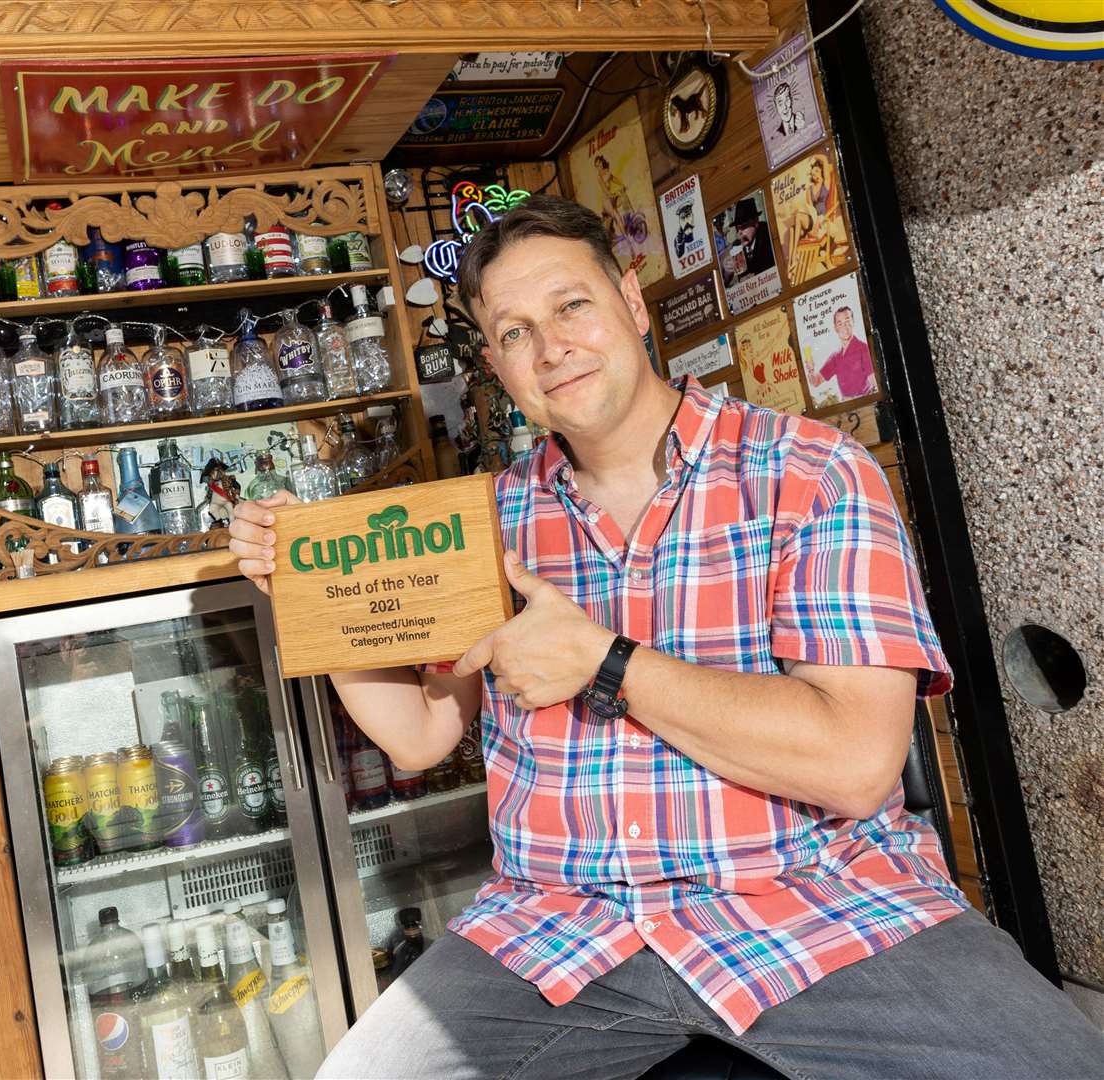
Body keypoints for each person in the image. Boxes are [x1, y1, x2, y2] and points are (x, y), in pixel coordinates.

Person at [227, 196, 1103, 1078]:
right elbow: (418, 735)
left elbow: (853, 762)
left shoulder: (809, 472)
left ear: (630, 303)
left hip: (822, 905)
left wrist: (606, 664)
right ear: (495, 364)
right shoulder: (481, 524)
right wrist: (306, 595)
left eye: (571, 305)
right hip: (559, 928)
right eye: (515, 331)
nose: (551, 346)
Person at [817, 304, 877, 402]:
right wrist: (810, 369)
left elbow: (875, 381)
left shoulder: (863, 348)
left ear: (853, 322)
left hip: (865, 401)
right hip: (846, 406)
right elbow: (817, 381)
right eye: (840, 324)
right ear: (836, 328)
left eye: (847, 321)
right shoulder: (835, 357)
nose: (845, 326)